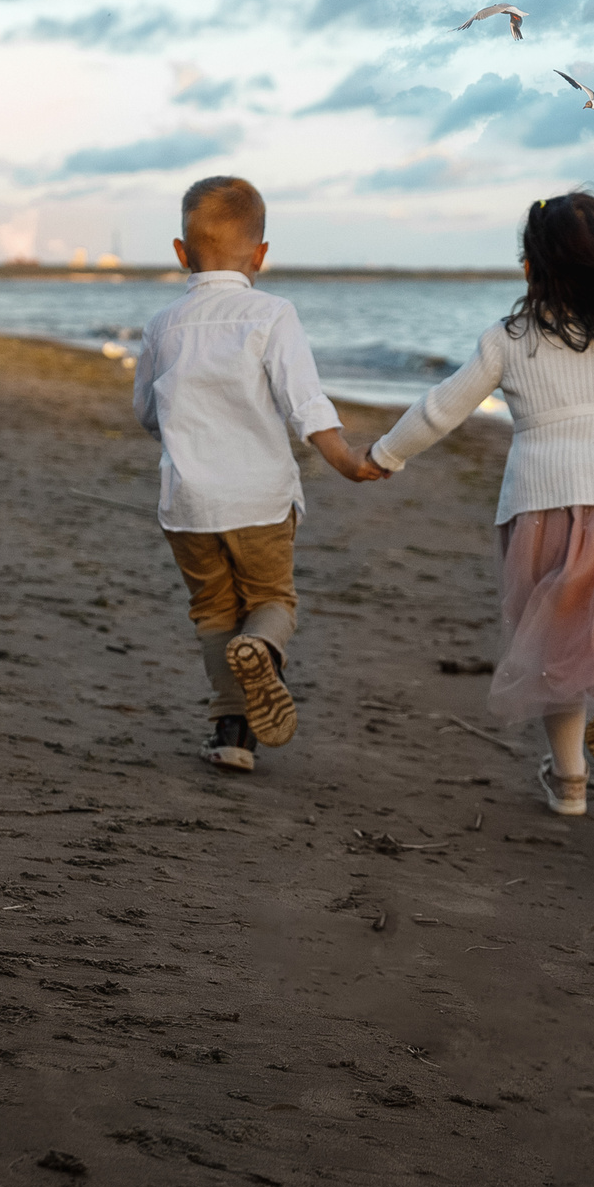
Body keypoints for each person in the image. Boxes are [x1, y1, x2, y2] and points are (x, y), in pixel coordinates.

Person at [368, 189, 594, 828]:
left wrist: (384, 454)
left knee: (558, 650)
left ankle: (571, 782)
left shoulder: (509, 339)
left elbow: (442, 408)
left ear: (531, 267)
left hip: (545, 513)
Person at [133, 175, 385, 771]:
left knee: (213, 612)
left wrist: (185, 430)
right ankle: (262, 647)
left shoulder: (163, 325)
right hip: (260, 500)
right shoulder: (272, 314)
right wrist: (344, 458)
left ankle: (231, 737)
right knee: (271, 599)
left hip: (189, 504)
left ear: (181, 252)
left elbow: (147, 413)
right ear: (261, 254)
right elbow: (304, 401)